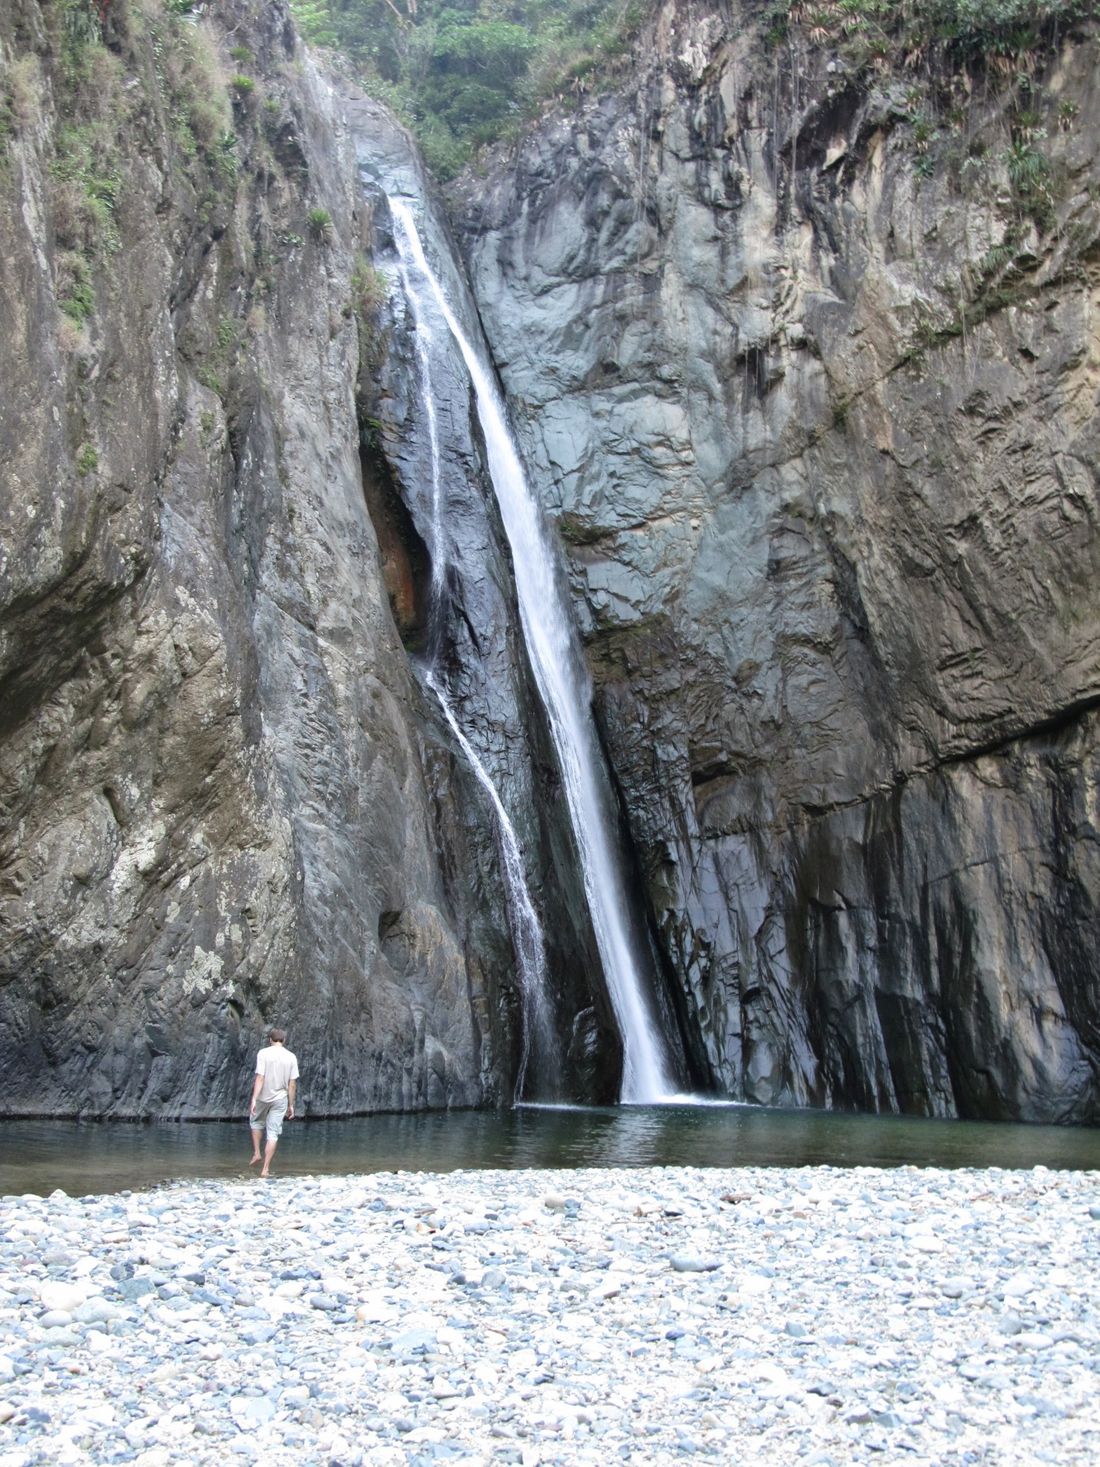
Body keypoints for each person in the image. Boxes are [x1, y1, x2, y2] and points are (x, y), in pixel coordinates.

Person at [248, 1027, 299, 1177]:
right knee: (273, 1133)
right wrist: (291, 1104)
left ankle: (257, 1153)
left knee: (256, 1122)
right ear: (284, 1040)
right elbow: (292, 1084)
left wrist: (254, 1099)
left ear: (270, 1040)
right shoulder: (291, 1057)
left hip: (263, 1096)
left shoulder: (263, 1053)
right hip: (280, 1098)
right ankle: (265, 1169)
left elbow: (260, 1077)